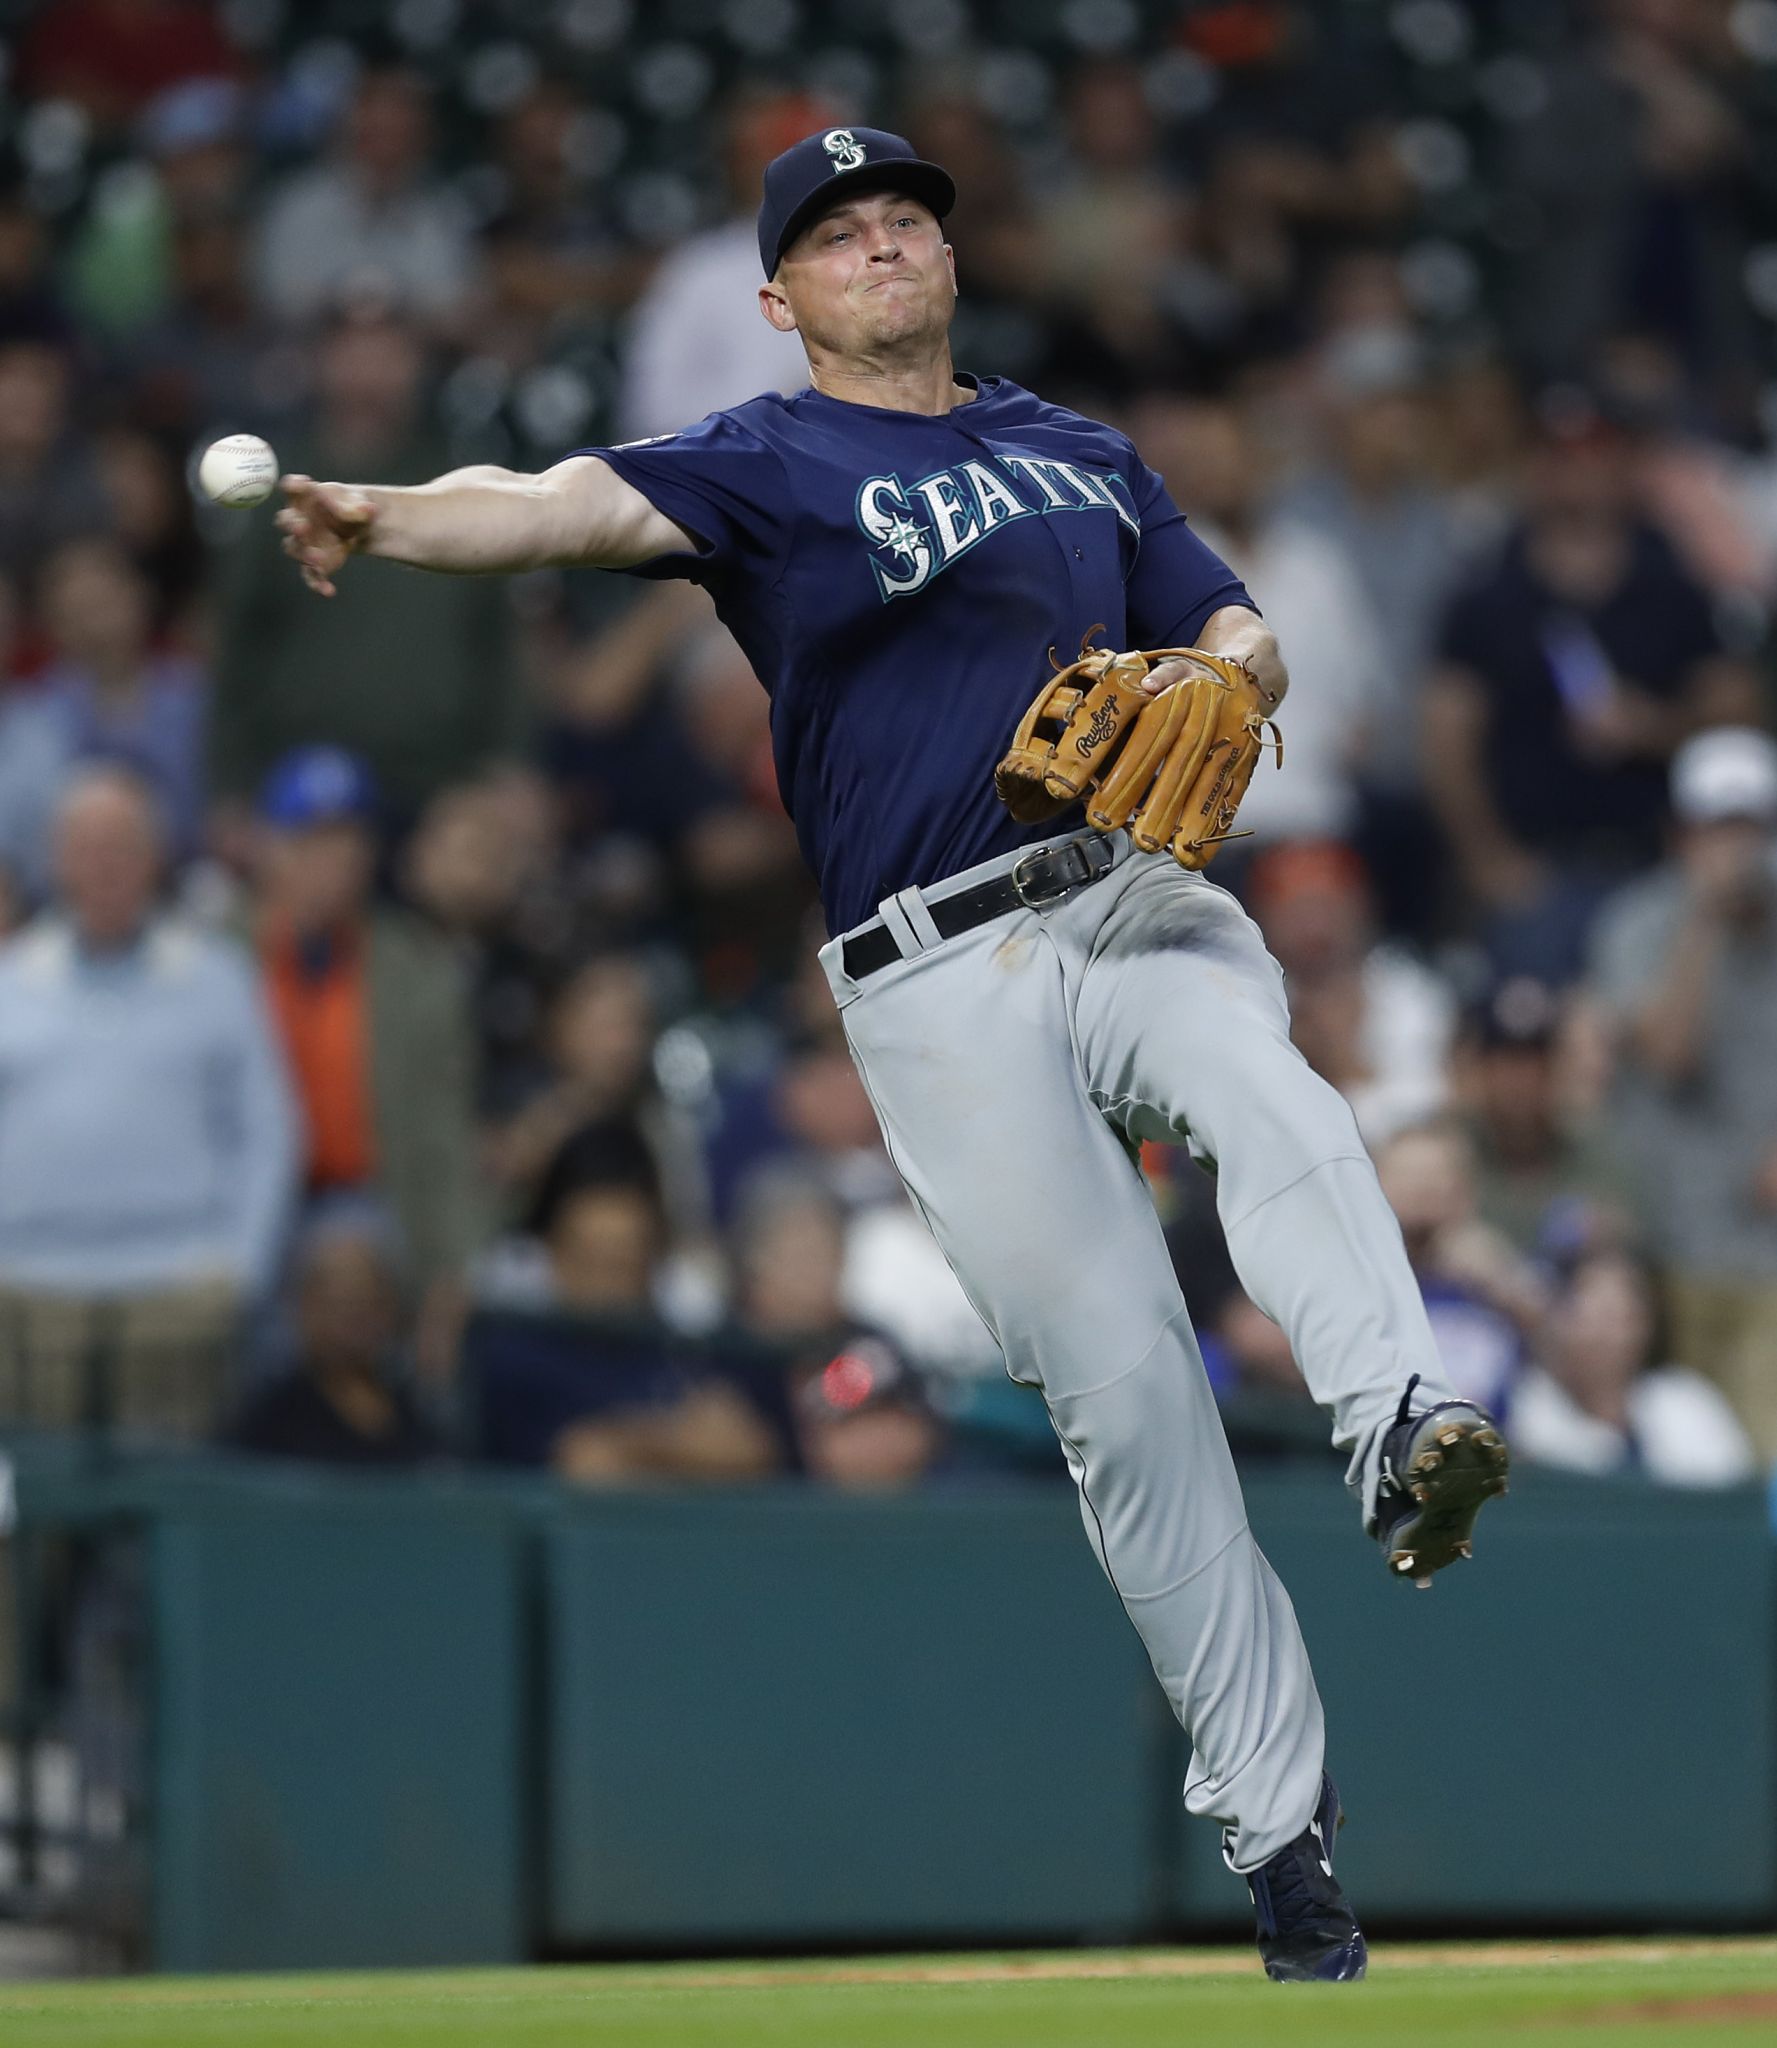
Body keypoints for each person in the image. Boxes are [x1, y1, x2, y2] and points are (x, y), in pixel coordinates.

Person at [272, 125, 1514, 1984]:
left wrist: (1233, 673)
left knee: (1275, 1090)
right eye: (836, 233)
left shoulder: (1072, 447)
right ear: (778, 298)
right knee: (1122, 1395)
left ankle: (1400, 1423)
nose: (878, 242)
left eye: (902, 218)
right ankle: (1281, 1841)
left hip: (1125, 896)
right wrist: (382, 511)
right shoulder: (767, 460)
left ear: (946, 258)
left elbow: (1226, 613)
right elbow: (545, 502)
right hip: (932, 976)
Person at [0, 768, 296, 1439]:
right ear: (57, 859)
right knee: (22, 1512)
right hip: (18, 1295)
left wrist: (241, 1270)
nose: (105, 866)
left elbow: (269, 1132)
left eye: (122, 846)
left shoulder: (219, 979)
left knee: (172, 1508)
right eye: (87, 847)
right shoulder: (9, 982)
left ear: (155, 859)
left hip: (178, 1292)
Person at [1587, 725, 1777, 1459]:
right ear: (1681, 833)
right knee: (1676, 1465)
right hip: (1661, 1254)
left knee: (1761, 1464)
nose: (1736, 848)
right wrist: (1703, 916)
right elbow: (1669, 1053)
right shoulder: (1641, 921)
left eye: (1750, 826)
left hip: (1763, 1257)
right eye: (1715, 826)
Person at [1510, 1246, 1756, 1488]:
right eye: (1590, 1316)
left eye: (1619, 1318)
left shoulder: (1687, 1399)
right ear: (1555, 1322)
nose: (1605, 1336)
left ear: (1646, 1326)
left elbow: (1735, 1494)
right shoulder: (1525, 1409)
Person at [228, 1204, 443, 1469]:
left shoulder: (419, 1414)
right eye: (335, 1300)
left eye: (366, 1299)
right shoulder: (268, 1424)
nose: (351, 1317)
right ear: (301, 1306)